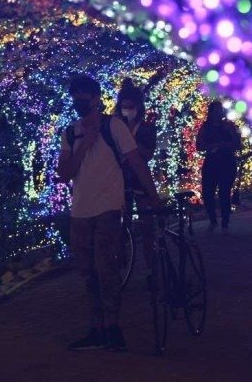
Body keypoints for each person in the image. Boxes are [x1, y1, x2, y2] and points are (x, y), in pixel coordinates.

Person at [57, 74, 160, 352]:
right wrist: (86, 144)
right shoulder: (70, 133)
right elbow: (64, 172)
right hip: (80, 211)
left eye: (84, 95)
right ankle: (97, 327)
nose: (79, 101)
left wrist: (153, 197)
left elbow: (137, 162)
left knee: (107, 268)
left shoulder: (113, 126)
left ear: (95, 98)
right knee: (87, 272)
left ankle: (113, 327)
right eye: (75, 95)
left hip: (108, 208)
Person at [114, 79, 157, 268]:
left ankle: (151, 265)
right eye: (124, 106)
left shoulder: (147, 128)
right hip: (119, 178)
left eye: (131, 106)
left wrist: (130, 143)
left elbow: (147, 153)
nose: (128, 110)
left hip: (139, 177)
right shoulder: (114, 126)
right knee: (120, 223)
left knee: (147, 223)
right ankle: (121, 261)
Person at [196, 100, 241, 231]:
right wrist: (213, 146)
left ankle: (225, 222)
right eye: (215, 110)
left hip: (227, 162)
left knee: (224, 193)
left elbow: (237, 143)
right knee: (207, 193)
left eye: (219, 110)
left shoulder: (229, 126)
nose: (217, 113)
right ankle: (213, 219)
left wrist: (226, 145)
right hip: (211, 162)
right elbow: (199, 145)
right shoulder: (206, 127)